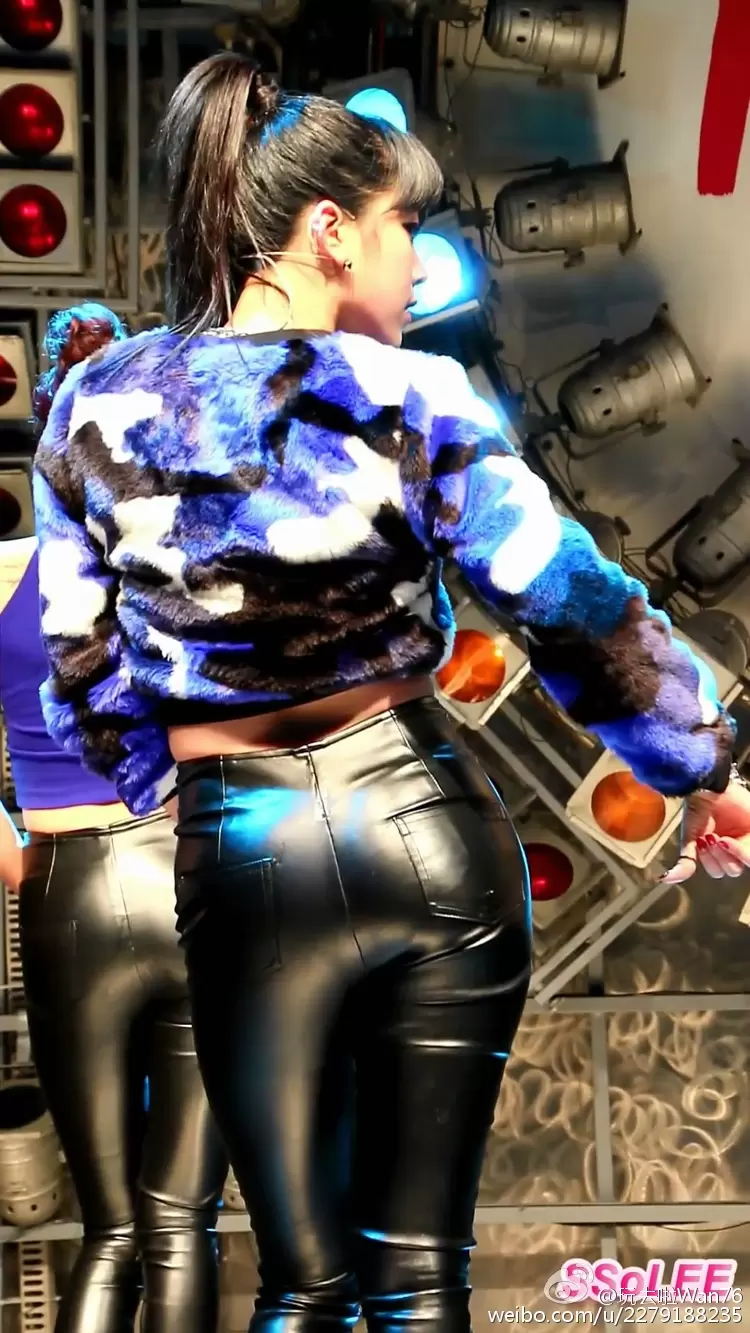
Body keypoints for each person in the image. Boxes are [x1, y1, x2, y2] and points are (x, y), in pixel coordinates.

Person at [30, 53, 750, 1333]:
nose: (417, 264)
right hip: (425, 823)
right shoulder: (416, 394)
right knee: (420, 1283)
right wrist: (703, 768)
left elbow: (80, 659)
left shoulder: (100, 402)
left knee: (301, 1286)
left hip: (242, 847)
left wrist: (163, 779)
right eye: (403, 226)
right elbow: (567, 600)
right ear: (329, 229)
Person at [0, 305, 227, 1333]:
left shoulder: (11, 578)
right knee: (181, 1222)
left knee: (111, 1230)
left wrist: (20, 858)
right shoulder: (190, 566)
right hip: (188, 870)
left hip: (67, 885)